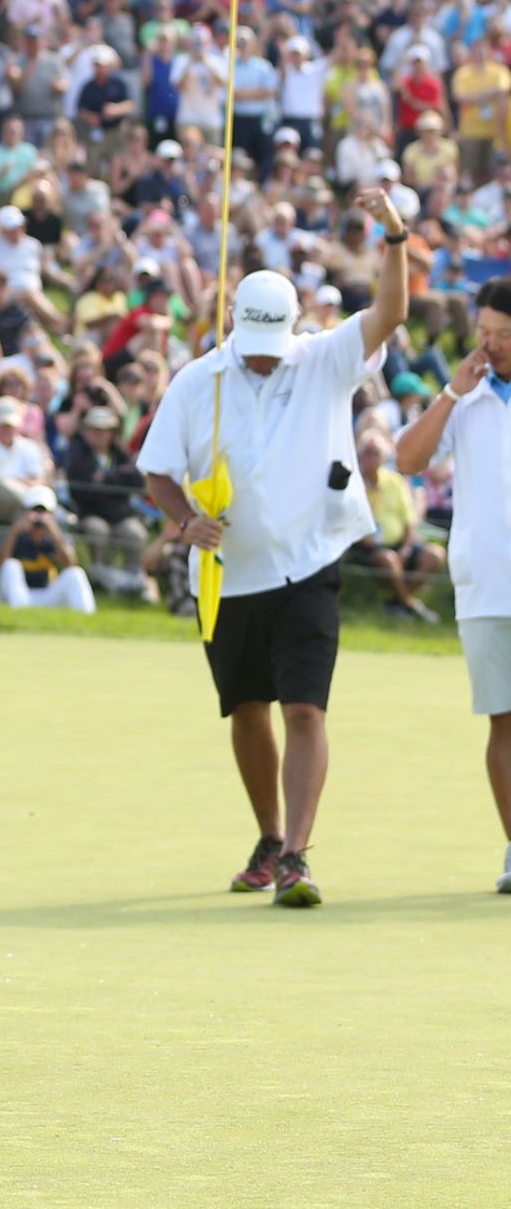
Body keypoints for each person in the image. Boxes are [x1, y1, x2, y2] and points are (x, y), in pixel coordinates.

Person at [138, 188, 416, 909]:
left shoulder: (323, 359)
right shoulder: (199, 380)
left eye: (273, 349)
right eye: (252, 350)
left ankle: (296, 853)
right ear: (235, 328)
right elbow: (156, 469)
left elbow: (390, 313)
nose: (263, 362)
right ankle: (267, 837)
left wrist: (393, 238)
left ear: (294, 328)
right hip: (226, 576)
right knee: (248, 708)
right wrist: (184, 519)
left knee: (304, 710)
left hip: (310, 563)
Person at [395, 280, 511, 891]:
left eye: (503, 334)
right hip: (487, 584)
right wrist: (448, 393)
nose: (489, 344)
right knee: (504, 721)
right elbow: (407, 460)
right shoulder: (463, 397)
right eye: (484, 330)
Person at [347, 429, 443, 622]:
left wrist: (406, 549)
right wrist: (370, 543)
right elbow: (350, 522)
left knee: (435, 555)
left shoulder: (395, 482)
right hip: (367, 547)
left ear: (385, 457)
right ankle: (410, 604)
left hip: (400, 543)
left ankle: (397, 603)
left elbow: (410, 521)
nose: (372, 458)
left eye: (377, 453)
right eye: (367, 452)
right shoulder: (353, 482)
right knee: (388, 559)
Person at [59, 404, 148, 593]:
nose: (96, 434)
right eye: (92, 429)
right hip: (90, 512)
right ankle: (99, 579)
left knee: (136, 533)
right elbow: (82, 490)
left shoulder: (119, 453)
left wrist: (106, 479)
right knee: (98, 530)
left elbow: (137, 478)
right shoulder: (77, 453)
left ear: (111, 433)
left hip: (119, 515)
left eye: (102, 430)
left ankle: (132, 581)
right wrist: (115, 486)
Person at [0, 493, 98, 614]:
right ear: (24, 512)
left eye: (43, 511)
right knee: (11, 565)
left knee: (76, 573)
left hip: (46, 595)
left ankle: (87, 621)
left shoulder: (58, 537)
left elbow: (70, 564)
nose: (38, 516)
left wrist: (53, 532)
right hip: (19, 597)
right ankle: (19, 615)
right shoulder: (14, 534)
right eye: (34, 510)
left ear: (52, 514)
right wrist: (14, 533)